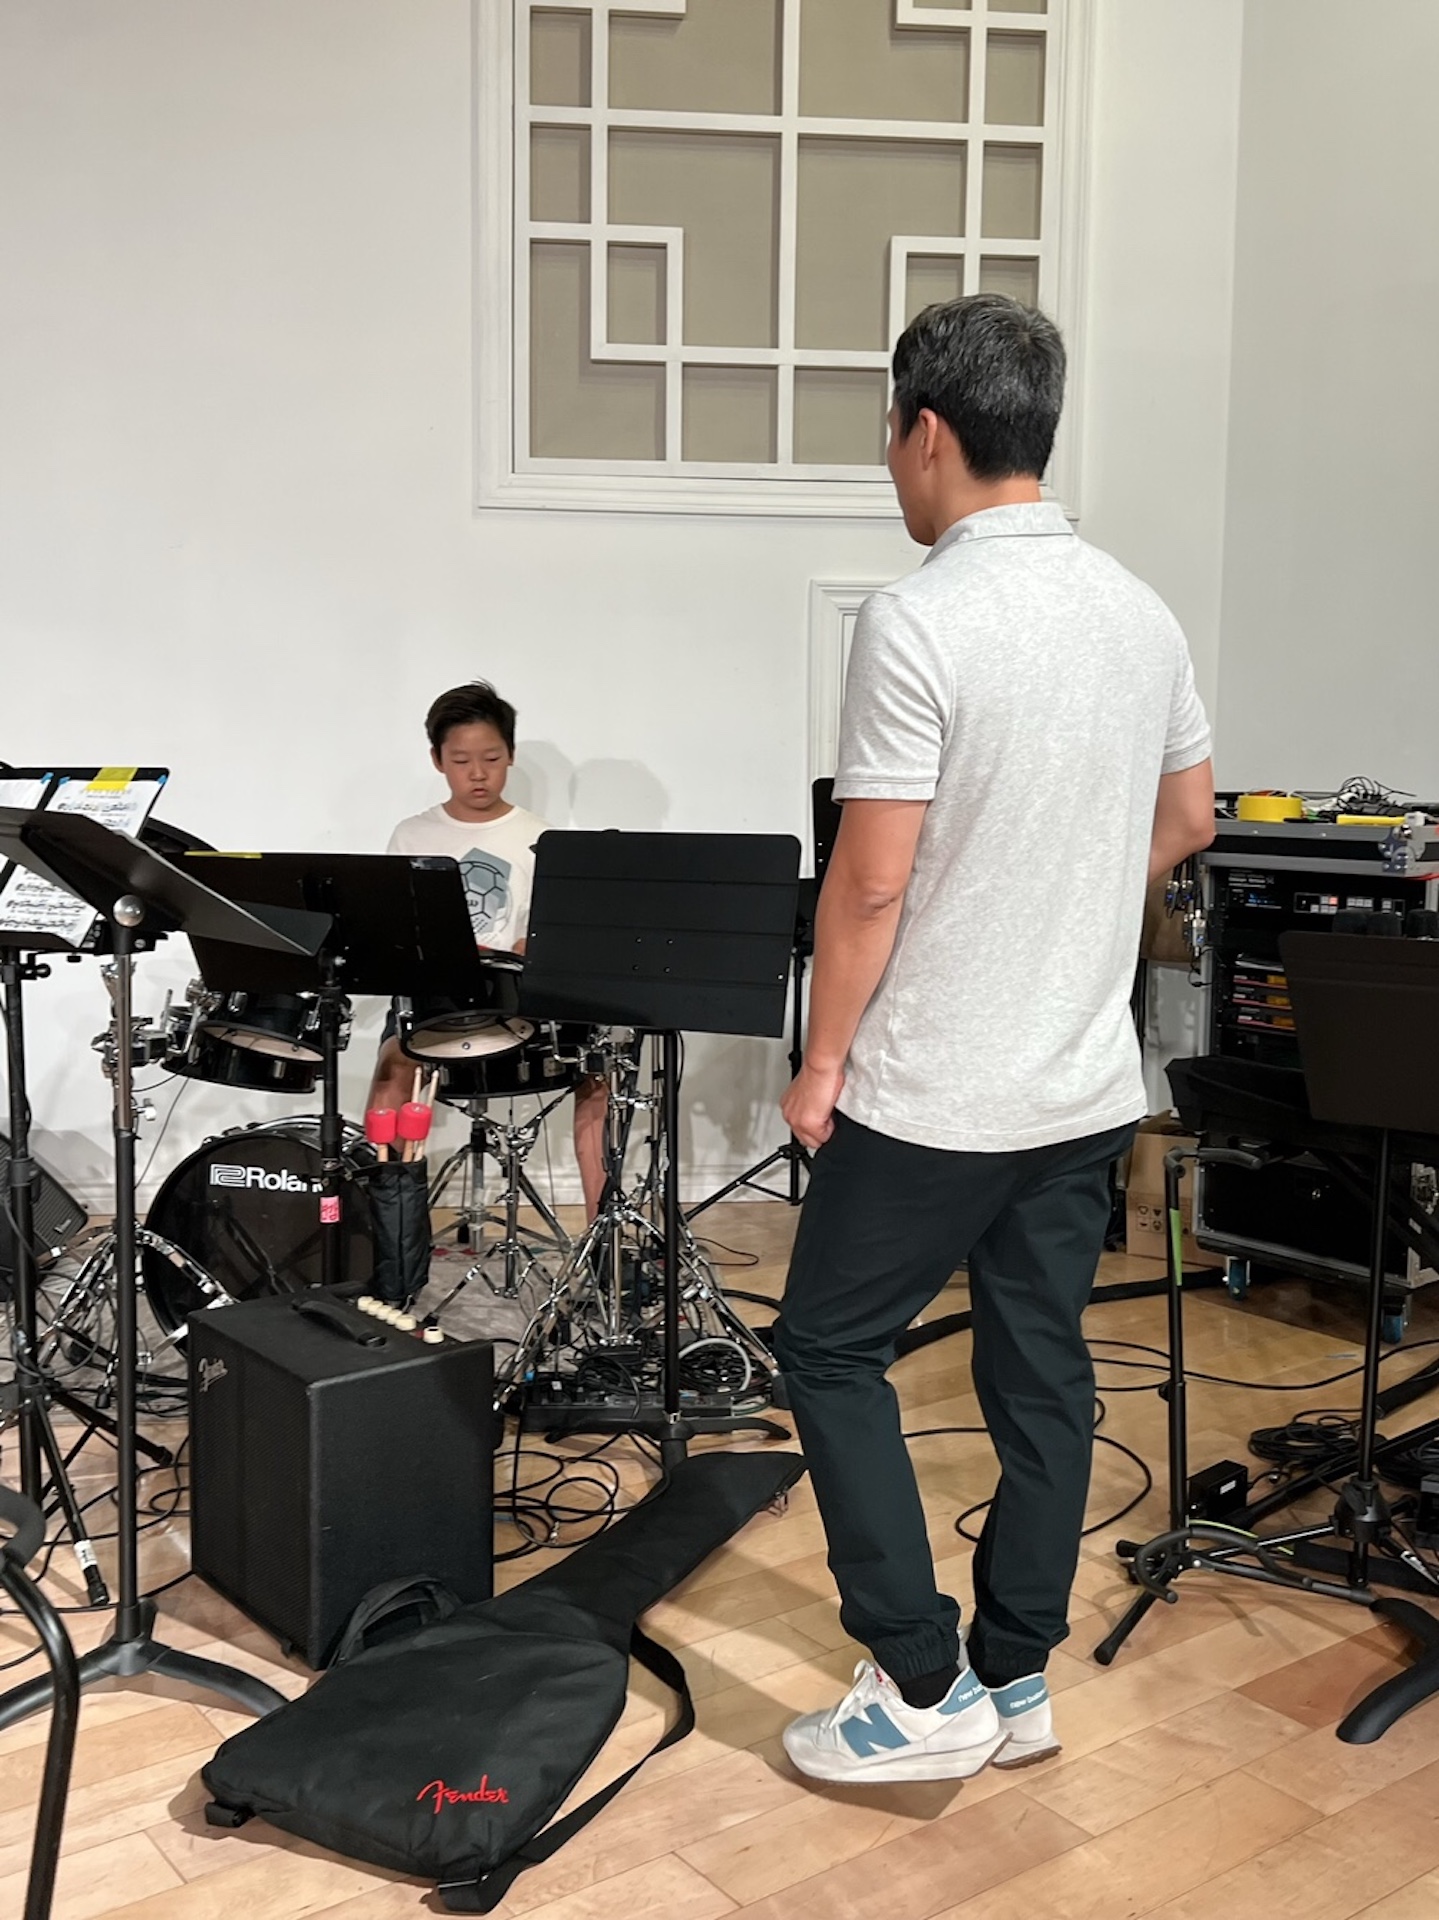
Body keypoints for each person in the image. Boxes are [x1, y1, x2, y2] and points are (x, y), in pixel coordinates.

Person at [773, 294, 1216, 1784]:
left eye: (887, 438)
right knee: (1040, 1377)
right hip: (1081, 1088)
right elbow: (1188, 819)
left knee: (826, 1348)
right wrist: (1061, 896)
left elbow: (868, 881)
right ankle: (1014, 1676)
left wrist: (820, 1064)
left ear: (925, 433)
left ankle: (918, 1685)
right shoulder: (1139, 611)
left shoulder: (918, 617)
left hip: (933, 1095)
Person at [369, 680, 607, 1220]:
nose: (478, 773)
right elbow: (394, 932)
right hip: (438, 1002)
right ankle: (390, 1234)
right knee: (390, 1069)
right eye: (461, 761)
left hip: (519, 1000)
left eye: (492, 758)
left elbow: (555, 934)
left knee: (598, 1067)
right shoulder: (411, 835)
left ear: (511, 755)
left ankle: (600, 1235)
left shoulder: (541, 836)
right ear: (437, 761)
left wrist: (531, 946)